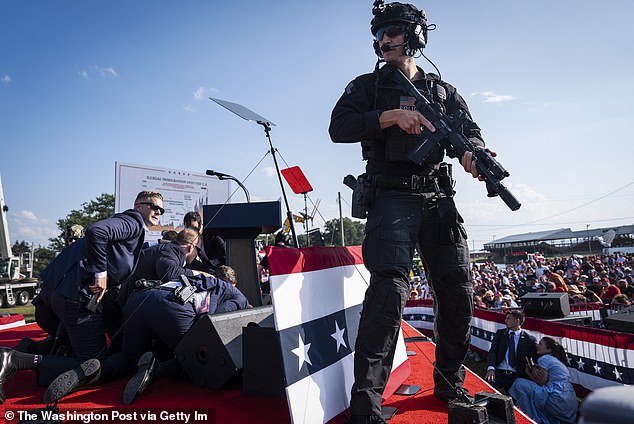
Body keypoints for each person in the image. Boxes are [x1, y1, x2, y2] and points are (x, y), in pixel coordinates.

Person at [329, 1, 499, 419]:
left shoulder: (443, 91)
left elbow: (469, 133)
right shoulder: (365, 86)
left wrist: (474, 155)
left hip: (439, 200)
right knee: (389, 293)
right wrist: (389, 117)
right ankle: (366, 404)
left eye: (396, 31)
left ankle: (449, 384)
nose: (386, 40)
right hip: (391, 197)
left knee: (458, 292)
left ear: (416, 36)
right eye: (382, 33)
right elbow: (338, 128)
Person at [0, 191, 164, 403]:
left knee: (74, 341)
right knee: (92, 363)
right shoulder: (132, 221)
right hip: (76, 296)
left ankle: (31, 348)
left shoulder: (131, 229)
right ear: (138, 206)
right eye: (153, 206)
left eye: (161, 209)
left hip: (57, 294)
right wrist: (101, 274)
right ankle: (14, 359)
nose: (158, 212)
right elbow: (97, 231)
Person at [43, 273, 249, 405]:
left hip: (141, 299)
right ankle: (155, 369)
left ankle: (90, 371)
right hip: (172, 307)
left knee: (128, 358)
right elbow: (210, 325)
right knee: (192, 355)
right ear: (232, 282)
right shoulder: (235, 293)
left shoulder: (198, 276)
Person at [509, 337, 578, 424]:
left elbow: (541, 382)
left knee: (519, 383)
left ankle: (530, 419)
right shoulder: (557, 361)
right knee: (534, 392)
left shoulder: (544, 359)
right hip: (569, 402)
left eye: (540, 344)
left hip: (556, 398)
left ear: (549, 349)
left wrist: (528, 372)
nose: (537, 345)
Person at [485, 310, 537, 395]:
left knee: (513, 403)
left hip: (516, 376)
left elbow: (535, 358)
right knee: (485, 390)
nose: (505, 321)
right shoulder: (501, 334)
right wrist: (491, 368)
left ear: (517, 321)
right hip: (499, 373)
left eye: (509, 318)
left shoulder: (529, 340)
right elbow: (493, 351)